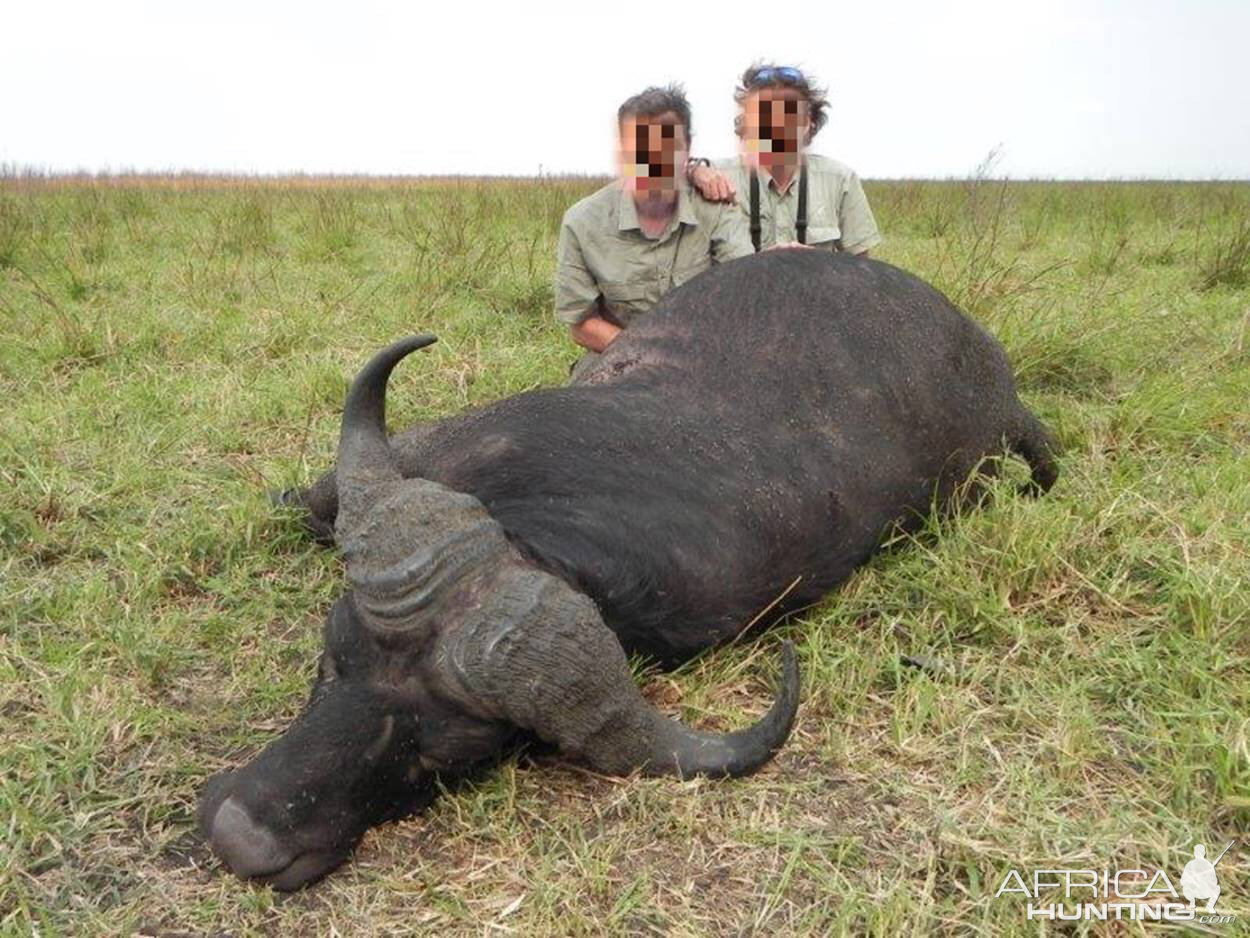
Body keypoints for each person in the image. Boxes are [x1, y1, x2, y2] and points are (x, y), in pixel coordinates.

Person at [555, 84, 753, 375]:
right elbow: (582, 325)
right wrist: (648, 354)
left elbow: (744, 289)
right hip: (617, 353)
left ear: (688, 149)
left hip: (703, 354)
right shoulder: (583, 221)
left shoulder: (718, 208)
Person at [689, 64, 881, 256]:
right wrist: (693, 170)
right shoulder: (718, 175)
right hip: (739, 285)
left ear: (806, 124)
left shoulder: (840, 180)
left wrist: (815, 261)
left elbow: (861, 268)